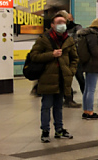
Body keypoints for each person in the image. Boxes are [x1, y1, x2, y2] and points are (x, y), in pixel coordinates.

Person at [28, 13, 77, 142]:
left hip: (62, 78)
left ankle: (59, 130)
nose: (62, 25)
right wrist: (52, 54)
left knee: (59, 106)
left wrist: (70, 71)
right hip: (47, 79)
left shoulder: (69, 40)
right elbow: (34, 56)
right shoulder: (44, 39)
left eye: (63, 22)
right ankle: (45, 131)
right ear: (52, 25)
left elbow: (75, 58)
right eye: (59, 22)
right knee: (46, 106)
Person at [77, 18, 98, 119]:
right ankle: (90, 111)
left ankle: (86, 110)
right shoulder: (93, 36)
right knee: (91, 89)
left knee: (87, 89)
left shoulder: (85, 34)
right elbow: (95, 52)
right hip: (93, 65)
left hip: (86, 64)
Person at [58, 10, 82, 108]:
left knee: (80, 78)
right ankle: (68, 99)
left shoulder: (77, 27)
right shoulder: (60, 31)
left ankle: (86, 97)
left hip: (74, 56)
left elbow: (76, 39)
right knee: (66, 79)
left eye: (69, 18)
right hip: (64, 58)